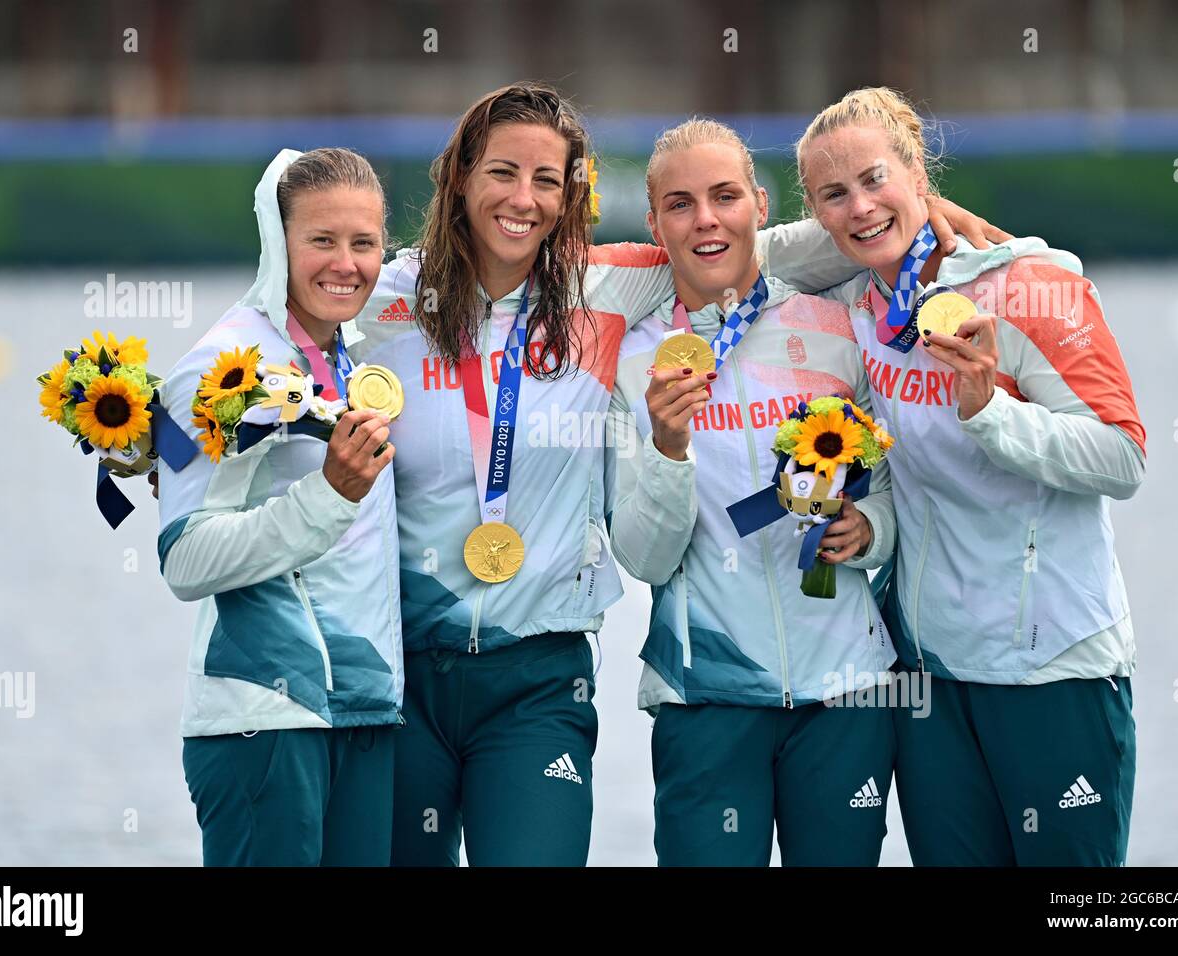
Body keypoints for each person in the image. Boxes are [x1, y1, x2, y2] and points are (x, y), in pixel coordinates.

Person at [349, 81, 1006, 866]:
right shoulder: (386, 296)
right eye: (501, 172)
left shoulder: (601, 289)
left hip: (551, 672)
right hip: (407, 664)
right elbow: (290, 285)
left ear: (571, 197)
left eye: (547, 180)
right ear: (459, 176)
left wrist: (918, 209)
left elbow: (752, 247)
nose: (523, 199)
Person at [790, 88, 1144, 866]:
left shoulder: (1030, 285)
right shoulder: (856, 304)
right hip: (931, 677)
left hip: (1053, 665)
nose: (859, 208)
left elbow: (1123, 456)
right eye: (833, 195)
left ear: (921, 174)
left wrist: (990, 412)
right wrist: (872, 526)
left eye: (876, 179)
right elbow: (904, 483)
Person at [608, 118, 897, 866]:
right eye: (680, 203)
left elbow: (897, 489)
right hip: (706, 699)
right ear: (654, 224)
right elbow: (643, 558)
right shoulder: (629, 362)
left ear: (761, 208)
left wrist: (870, 530)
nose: (706, 219)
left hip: (847, 695)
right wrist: (669, 449)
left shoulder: (837, 327)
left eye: (724, 195)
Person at [157, 147, 400, 865]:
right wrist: (329, 495)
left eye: (364, 243)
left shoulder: (351, 358)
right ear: (277, 242)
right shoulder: (219, 367)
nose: (345, 264)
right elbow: (185, 559)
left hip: (363, 710)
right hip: (262, 720)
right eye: (321, 240)